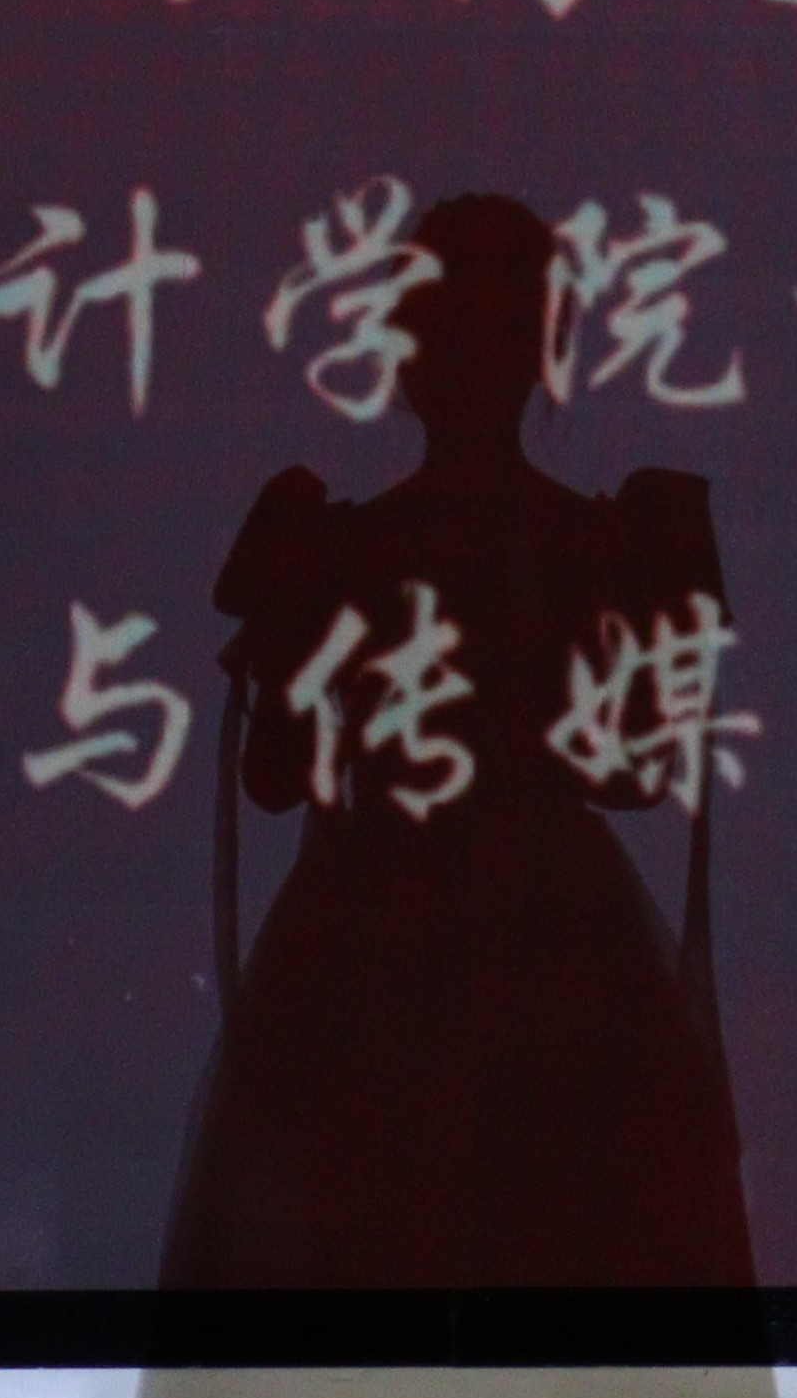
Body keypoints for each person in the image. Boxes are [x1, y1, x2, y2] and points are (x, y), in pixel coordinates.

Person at [155, 191, 761, 1294]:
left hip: (367, 948)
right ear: (546, 353)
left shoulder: (344, 547)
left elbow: (277, 773)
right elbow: (634, 773)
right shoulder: (595, 542)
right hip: (555, 944)